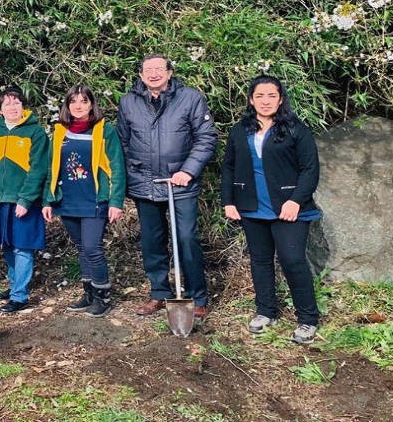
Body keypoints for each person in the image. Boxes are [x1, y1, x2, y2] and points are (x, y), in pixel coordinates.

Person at [221, 75, 322, 344]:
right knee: (260, 261)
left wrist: (296, 201)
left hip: (288, 207)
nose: (266, 101)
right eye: (260, 96)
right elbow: (229, 166)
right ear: (251, 100)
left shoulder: (295, 129)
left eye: (271, 96)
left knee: (292, 260)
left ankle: (308, 319)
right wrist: (228, 201)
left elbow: (310, 169)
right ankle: (266, 312)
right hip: (252, 206)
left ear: (281, 99)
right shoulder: (240, 130)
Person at [116, 54, 217, 318]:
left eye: (159, 69)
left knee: (186, 238)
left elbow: (206, 138)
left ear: (170, 72)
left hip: (180, 184)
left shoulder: (190, 98)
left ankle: (197, 297)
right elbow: (122, 143)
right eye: (147, 70)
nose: (153, 74)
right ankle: (159, 293)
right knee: (152, 241)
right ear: (140, 75)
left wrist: (188, 170)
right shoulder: (128, 102)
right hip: (144, 184)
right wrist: (132, 173)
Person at [42, 85, 126, 317]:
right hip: (68, 200)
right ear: (67, 106)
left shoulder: (104, 130)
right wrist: (48, 201)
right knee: (81, 248)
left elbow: (117, 167)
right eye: (74, 102)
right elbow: (52, 168)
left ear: (92, 104)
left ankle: (103, 297)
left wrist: (116, 201)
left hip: (95, 200)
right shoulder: (60, 131)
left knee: (92, 247)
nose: (78, 106)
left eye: (84, 101)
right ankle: (88, 293)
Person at [0, 87, 50, 313]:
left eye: (16, 102)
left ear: (23, 106)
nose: (12, 107)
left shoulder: (35, 133)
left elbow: (39, 170)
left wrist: (26, 200)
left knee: (22, 247)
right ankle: (14, 284)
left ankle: (20, 296)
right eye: (7, 104)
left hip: (23, 200)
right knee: (6, 244)